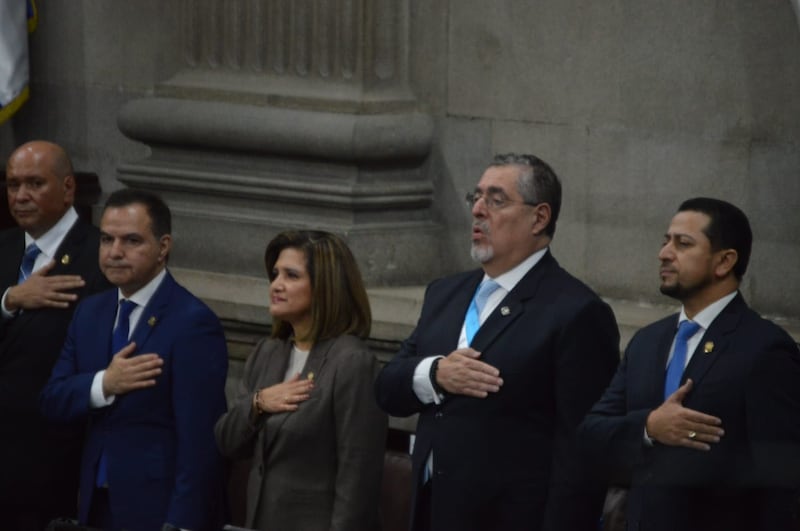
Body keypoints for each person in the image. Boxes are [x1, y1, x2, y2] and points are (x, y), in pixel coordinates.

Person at [374, 153, 621, 531]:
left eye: (496, 199)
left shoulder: (576, 312)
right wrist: (436, 373)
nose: (477, 210)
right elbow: (388, 388)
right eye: (476, 196)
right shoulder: (445, 293)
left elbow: (581, 453)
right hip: (428, 507)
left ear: (539, 218)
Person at [579, 197, 800, 531]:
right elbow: (591, 435)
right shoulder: (647, 342)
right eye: (666, 241)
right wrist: (650, 427)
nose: (664, 253)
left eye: (683, 244)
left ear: (724, 261)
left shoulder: (764, 350)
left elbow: (782, 484)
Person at [40, 189, 229, 531]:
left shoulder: (192, 322)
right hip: (93, 504)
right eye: (107, 239)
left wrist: (183, 522)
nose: (115, 252)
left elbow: (201, 440)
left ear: (163, 246)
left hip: (157, 511)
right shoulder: (90, 312)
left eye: (131, 241)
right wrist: (104, 384)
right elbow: (53, 398)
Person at [215, 230, 387, 531]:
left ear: (325, 287)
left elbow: (357, 478)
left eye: (291, 276)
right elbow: (227, 442)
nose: (276, 285)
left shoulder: (352, 362)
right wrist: (259, 403)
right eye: (275, 274)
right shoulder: (267, 352)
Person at [0, 140, 111, 530]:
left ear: (67, 189)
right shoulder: (3, 247)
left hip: (54, 461)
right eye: (13, 185)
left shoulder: (102, 254)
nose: (21, 196)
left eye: (34, 183)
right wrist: (10, 299)